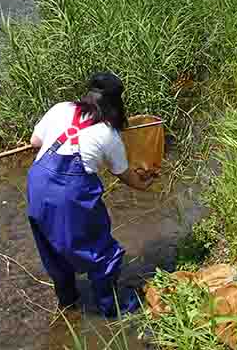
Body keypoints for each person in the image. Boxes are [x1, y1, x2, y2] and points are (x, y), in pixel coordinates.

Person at [27, 72, 155, 318]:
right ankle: (111, 307)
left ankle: (67, 303)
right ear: (116, 104)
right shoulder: (108, 133)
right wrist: (146, 182)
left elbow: (34, 142)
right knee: (99, 249)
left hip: (37, 183)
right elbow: (128, 177)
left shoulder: (60, 108)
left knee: (52, 247)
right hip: (70, 193)